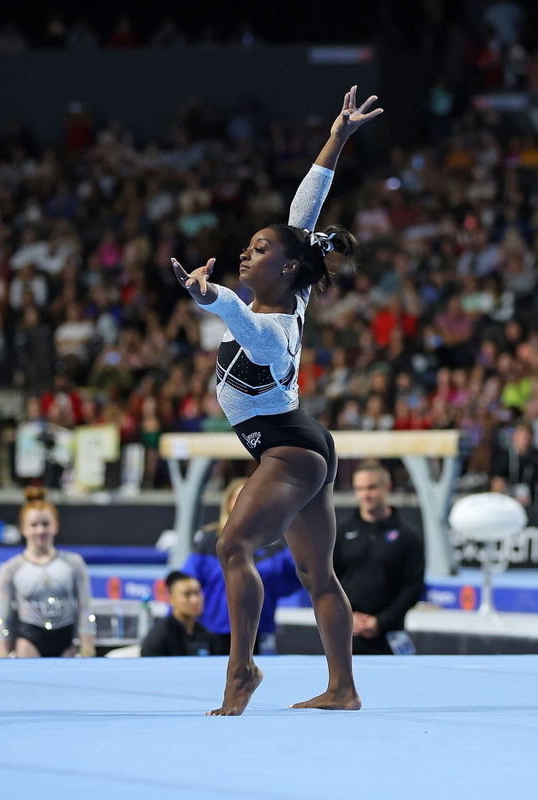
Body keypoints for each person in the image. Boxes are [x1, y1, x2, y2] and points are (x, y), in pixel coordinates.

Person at [171, 85, 382, 715]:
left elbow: (234, 311)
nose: (247, 250)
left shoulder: (271, 330)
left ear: (288, 269)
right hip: (301, 447)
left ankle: (241, 672)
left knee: (231, 548)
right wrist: (338, 136)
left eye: (261, 249)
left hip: (289, 450)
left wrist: (206, 295)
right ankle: (342, 688)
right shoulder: (287, 300)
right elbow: (305, 209)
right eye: (251, 244)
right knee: (319, 576)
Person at [183, 478, 303, 655]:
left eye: (251, 498)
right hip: (214, 630)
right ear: (229, 503)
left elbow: (300, 575)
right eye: (239, 498)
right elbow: (187, 581)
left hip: (258, 631)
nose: (244, 504)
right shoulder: (209, 541)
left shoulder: (274, 544)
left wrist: (272, 592)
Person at [334, 463, 425, 655]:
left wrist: (380, 622)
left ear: (387, 488)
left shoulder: (408, 536)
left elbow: (413, 588)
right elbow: (329, 580)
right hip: (347, 634)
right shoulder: (340, 533)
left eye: (371, 487)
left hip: (390, 635)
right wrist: (348, 617)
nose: (365, 495)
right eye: (359, 489)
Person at [0, 486, 96, 657]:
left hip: (65, 640)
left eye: (45, 524)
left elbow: (85, 609)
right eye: (34, 525)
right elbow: (3, 618)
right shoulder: (10, 569)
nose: (40, 530)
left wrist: (87, 648)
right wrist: (3, 654)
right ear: (24, 529)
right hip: (29, 639)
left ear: (55, 526)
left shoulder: (74, 563)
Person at [140, 570, 219, 657]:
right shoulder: (158, 636)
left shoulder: (207, 635)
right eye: (187, 594)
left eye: (197, 593)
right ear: (171, 598)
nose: (194, 600)